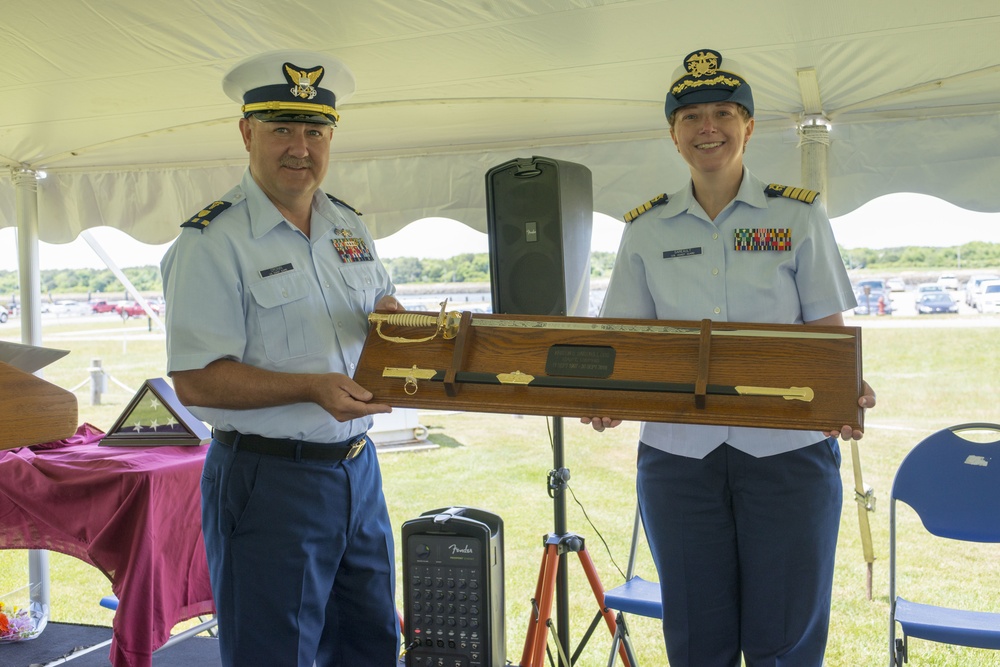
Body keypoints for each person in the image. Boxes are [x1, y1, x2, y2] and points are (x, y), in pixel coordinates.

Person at [583, 48, 876, 667]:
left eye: (721, 112)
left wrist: (841, 388)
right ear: (673, 133)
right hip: (678, 460)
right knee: (695, 635)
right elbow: (627, 345)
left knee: (786, 636)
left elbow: (826, 332)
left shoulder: (797, 215)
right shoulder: (646, 229)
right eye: (689, 116)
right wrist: (605, 394)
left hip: (787, 458)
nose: (706, 127)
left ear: (749, 125)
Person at [160, 50, 402, 667]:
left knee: (370, 642)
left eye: (315, 130)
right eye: (282, 130)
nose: (301, 147)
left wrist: (407, 328)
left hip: (357, 470)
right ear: (247, 134)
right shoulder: (212, 242)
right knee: (277, 653)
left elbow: (382, 314)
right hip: (269, 479)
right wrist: (310, 387)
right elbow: (196, 380)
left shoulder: (348, 226)